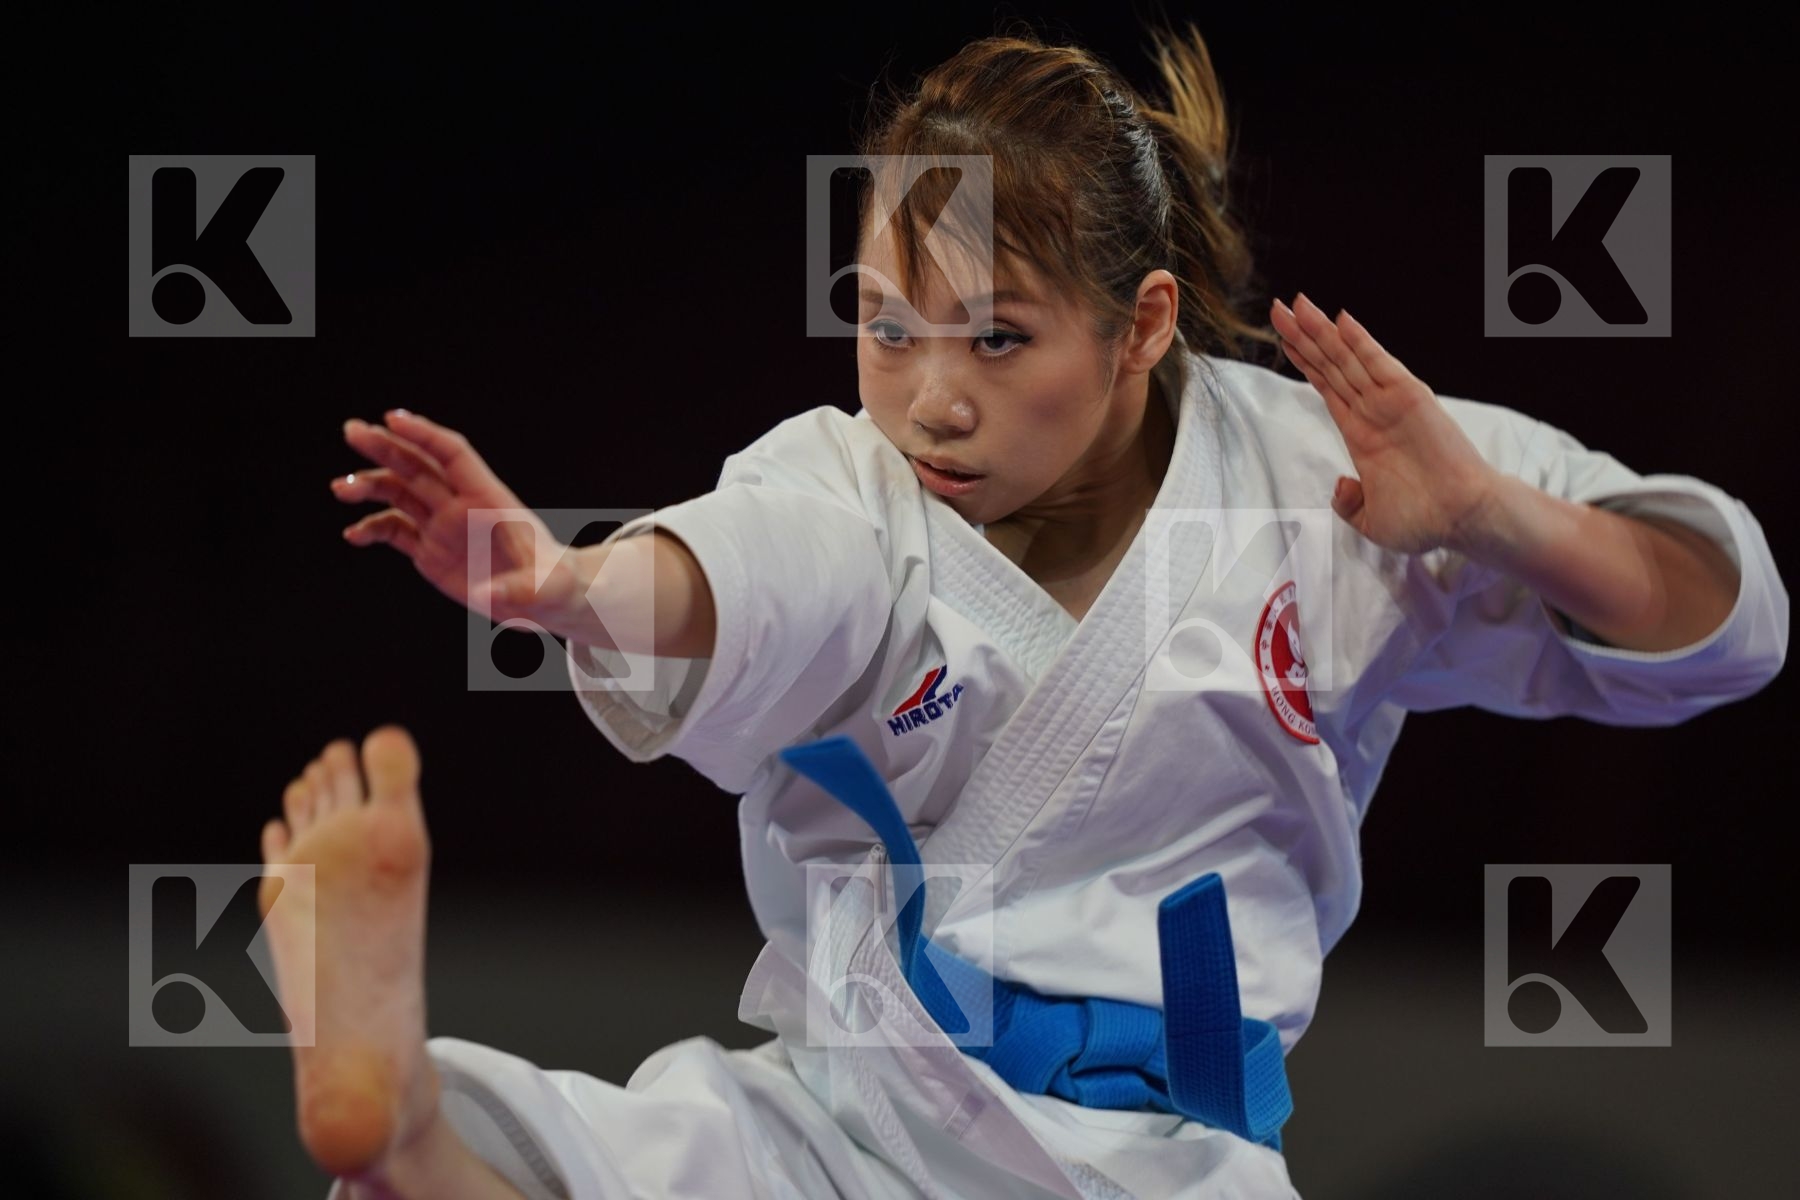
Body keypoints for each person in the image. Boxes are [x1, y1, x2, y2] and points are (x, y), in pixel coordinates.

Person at [267, 20, 1789, 1199]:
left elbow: (1716, 623)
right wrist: (568, 583)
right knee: (552, 1148)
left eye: (1000, 337)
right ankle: (404, 1124)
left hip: (1161, 1160)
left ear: (1142, 325)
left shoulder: (1334, 477)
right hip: (855, 1117)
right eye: (883, 326)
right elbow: (758, 570)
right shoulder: (845, 488)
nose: (931, 399)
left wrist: (1487, 516)